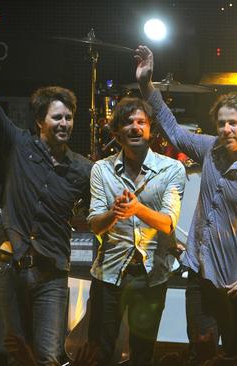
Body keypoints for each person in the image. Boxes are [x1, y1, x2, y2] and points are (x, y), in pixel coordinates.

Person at [134, 45, 237, 364]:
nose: (226, 129)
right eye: (221, 123)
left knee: (234, 356)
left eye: (234, 123)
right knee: (202, 348)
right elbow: (174, 131)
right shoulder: (210, 150)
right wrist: (147, 86)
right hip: (201, 277)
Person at [0, 12, 92, 365]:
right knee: (17, 354)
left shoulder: (82, 168)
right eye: (57, 117)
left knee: (49, 356)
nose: (65, 123)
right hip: (10, 268)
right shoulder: (19, 146)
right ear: (40, 121)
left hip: (51, 274)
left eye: (69, 117)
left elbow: (97, 212)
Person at [86, 97, 186, 366]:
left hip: (150, 276)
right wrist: (114, 212)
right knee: (100, 352)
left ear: (150, 129)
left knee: (143, 354)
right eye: (128, 122)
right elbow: (94, 223)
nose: (135, 127)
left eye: (141, 122)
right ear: (117, 132)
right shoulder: (101, 169)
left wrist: (137, 209)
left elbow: (168, 223)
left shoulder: (171, 169)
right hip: (109, 274)